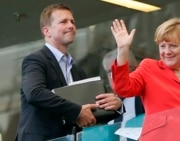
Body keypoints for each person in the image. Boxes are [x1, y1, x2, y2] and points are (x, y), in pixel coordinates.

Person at [16, 3, 122, 141]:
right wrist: (77, 112)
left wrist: (115, 105)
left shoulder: (77, 71)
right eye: (63, 22)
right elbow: (35, 93)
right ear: (47, 31)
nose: (71, 25)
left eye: (72, 21)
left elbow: (88, 112)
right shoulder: (36, 60)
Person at [110, 18, 180, 141]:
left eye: (173, 46)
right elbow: (123, 88)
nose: (167, 52)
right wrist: (122, 49)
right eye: (162, 46)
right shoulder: (149, 68)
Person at [102, 49, 144, 141]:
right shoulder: (104, 103)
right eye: (110, 72)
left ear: (134, 69)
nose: (114, 76)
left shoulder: (145, 95)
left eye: (119, 70)